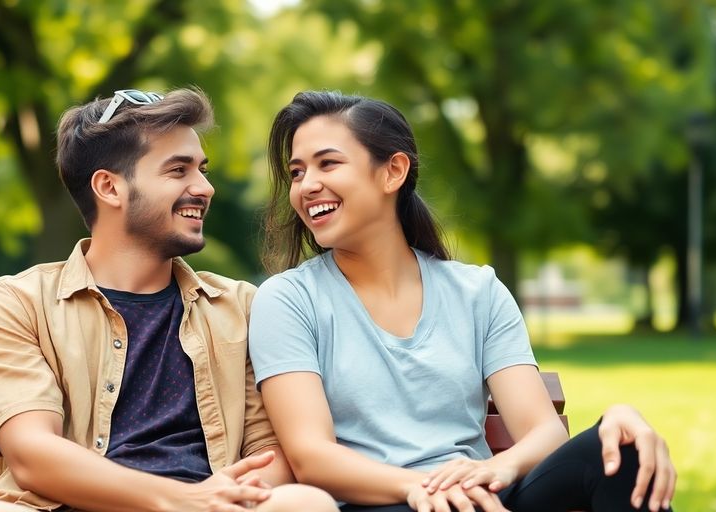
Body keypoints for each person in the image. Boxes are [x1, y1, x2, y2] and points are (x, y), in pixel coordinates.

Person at [248, 91, 677, 512]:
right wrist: (424, 487)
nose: (307, 186)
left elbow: (543, 431)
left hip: (480, 497)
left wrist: (497, 470)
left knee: (625, 449)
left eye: (328, 164)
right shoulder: (288, 301)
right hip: (384, 501)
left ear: (392, 172)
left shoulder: (477, 292)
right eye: (298, 172)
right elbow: (312, 458)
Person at [0, 88, 337, 512]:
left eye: (202, 170)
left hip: (212, 509)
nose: (204, 187)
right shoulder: (15, 304)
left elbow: (270, 450)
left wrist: (220, 499)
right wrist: (184, 499)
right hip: (67, 505)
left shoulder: (240, 306)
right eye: (178, 170)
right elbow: (32, 454)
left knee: (304, 503)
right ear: (109, 187)